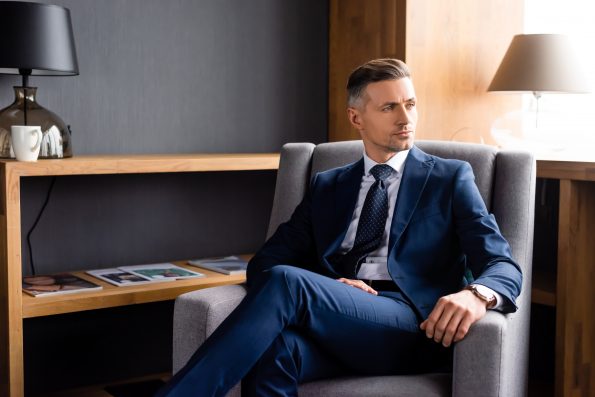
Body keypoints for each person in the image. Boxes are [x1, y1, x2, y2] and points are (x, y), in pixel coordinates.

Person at [156, 58, 522, 397]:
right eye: (389, 107)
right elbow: (265, 263)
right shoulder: (327, 185)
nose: (405, 117)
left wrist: (477, 295)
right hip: (338, 324)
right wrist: (331, 289)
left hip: (411, 326)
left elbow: (503, 264)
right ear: (356, 117)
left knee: (288, 281)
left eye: (410, 104)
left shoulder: (449, 177)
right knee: (274, 350)